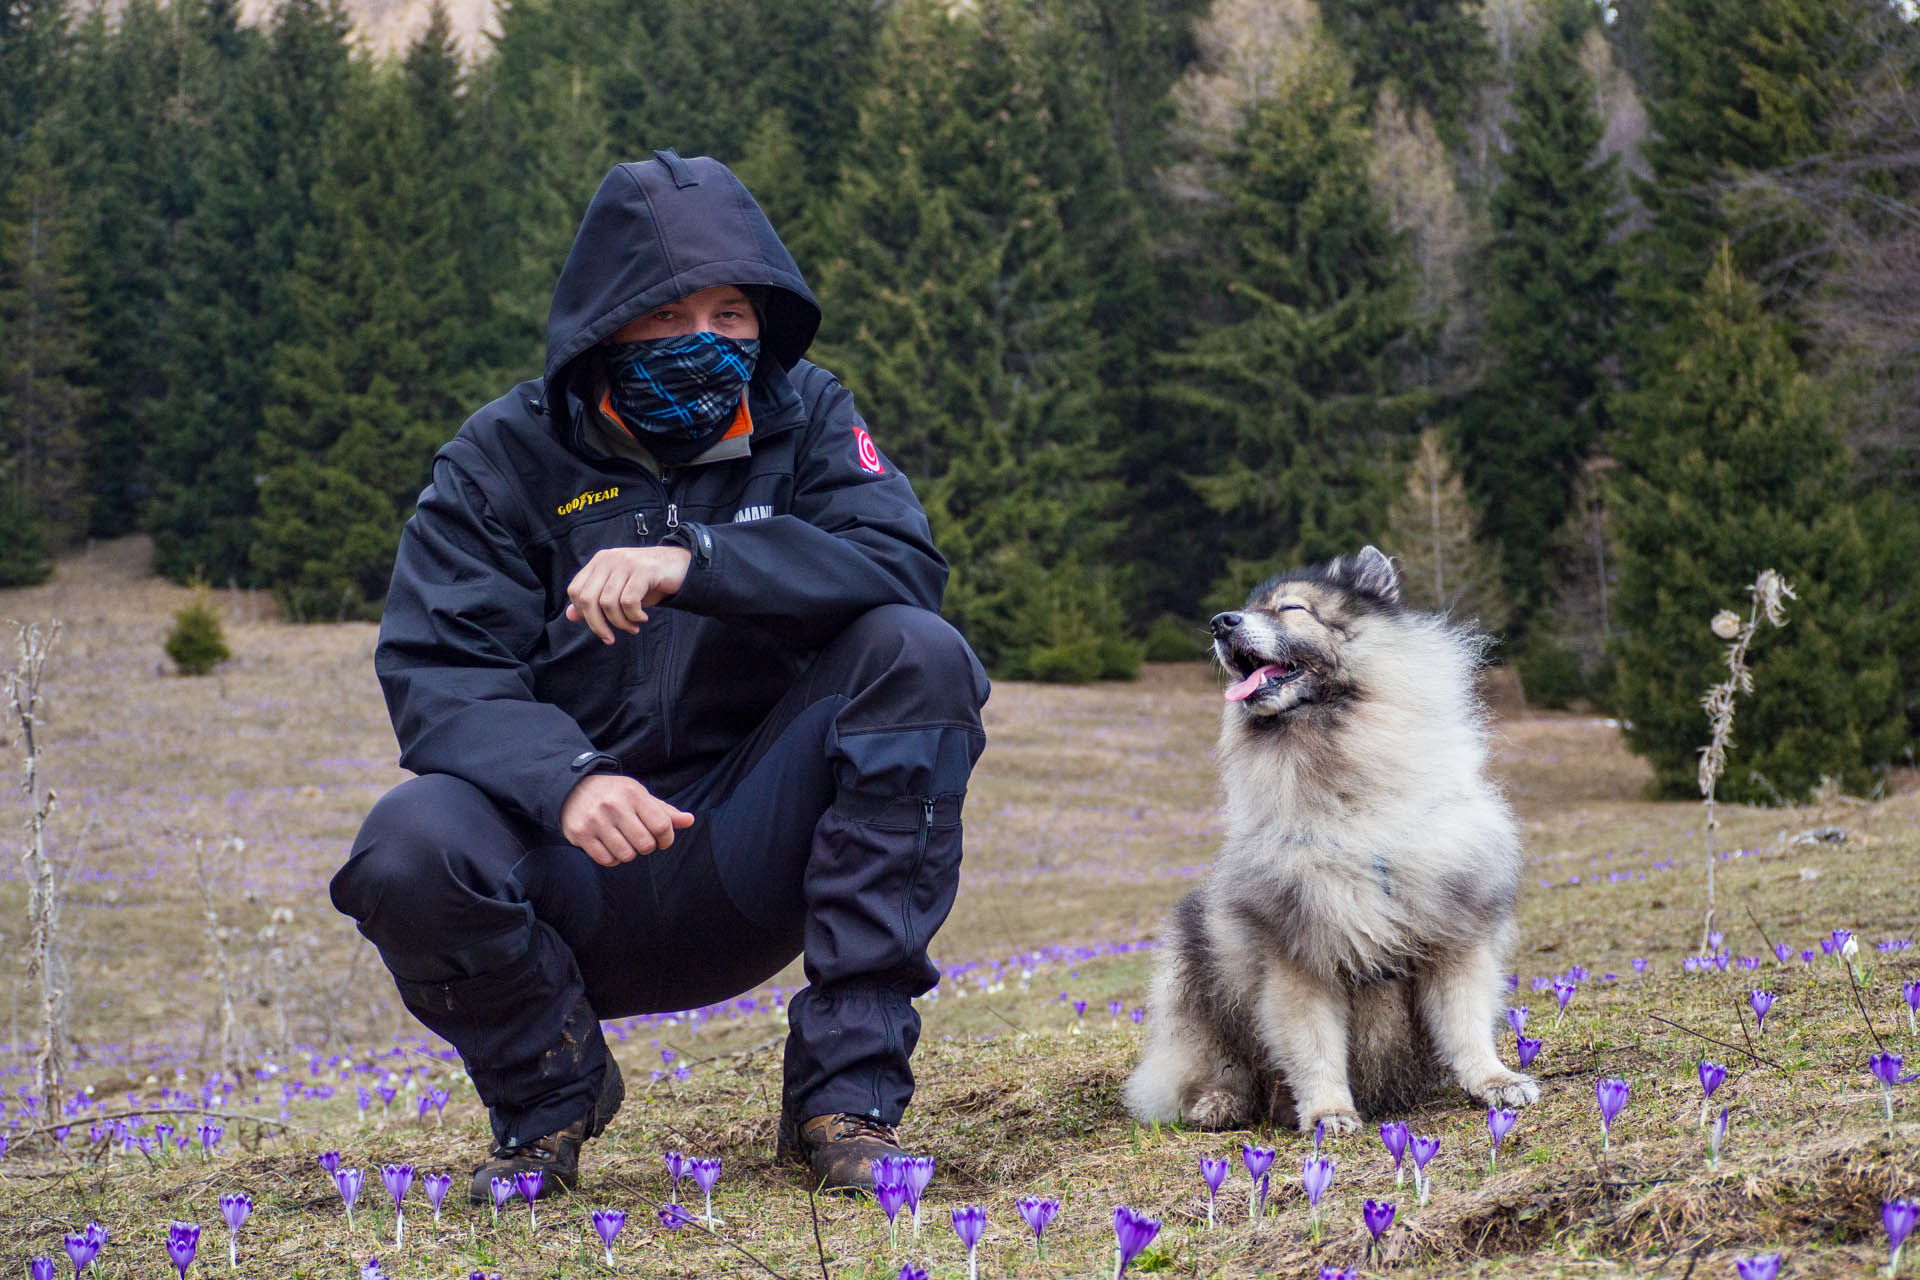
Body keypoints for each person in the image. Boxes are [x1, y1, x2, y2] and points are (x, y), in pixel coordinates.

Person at [329, 150, 989, 1200]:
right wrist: (567, 775)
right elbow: (439, 665)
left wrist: (706, 562)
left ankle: (843, 1100)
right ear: (604, 322)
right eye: (669, 314)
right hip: (570, 874)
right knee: (408, 843)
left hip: (751, 854)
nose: (707, 341)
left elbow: (901, 565)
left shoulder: (807, 415)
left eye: (733, 313)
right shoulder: (500, 460)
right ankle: (549, 1103)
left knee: (918, 654)